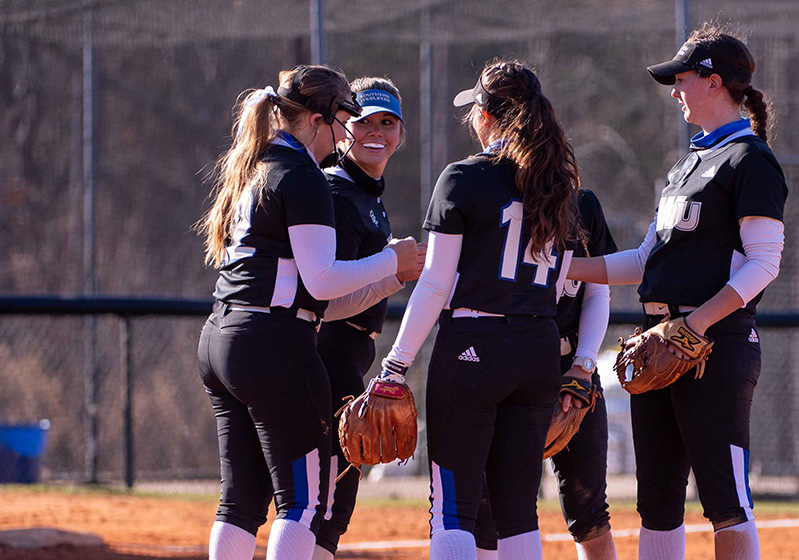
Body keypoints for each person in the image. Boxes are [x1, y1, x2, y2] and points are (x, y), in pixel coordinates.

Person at [569, 24, 787, 560]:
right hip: (659, 340)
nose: (674, 91)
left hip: (712, 345)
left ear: (714, 82)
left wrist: (695, 325)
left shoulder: (750, 160)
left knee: (726, 500)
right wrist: (563, 268)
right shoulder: (686, 165)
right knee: (658, 502)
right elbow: (644, 261)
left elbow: (763, 264)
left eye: (682, 79)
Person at [195, 64, 421, 560]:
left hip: (222, 333)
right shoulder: (307, 176)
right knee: (306, 502)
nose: (350, 133)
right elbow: (320, 284)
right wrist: (393, 263)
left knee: (240, 500)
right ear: (319, 119)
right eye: (347, 120)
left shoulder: (256, 162)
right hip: (273, 341)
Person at [376, 59, 580, 560]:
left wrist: (396, 364)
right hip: (537, 347)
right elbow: (560, 285)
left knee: (453, 511)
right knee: (518, 515)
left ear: (485, 116)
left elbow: (436, 281)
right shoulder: (560, 183)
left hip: (474, 345)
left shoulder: (464, 177)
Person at [473, 187, 620, 560]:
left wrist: (584, 366)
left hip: (573, 364)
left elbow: (598, 292)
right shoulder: (496, 199)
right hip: (514, 366)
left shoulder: (582, 204)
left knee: (588, 506)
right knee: (494, 504)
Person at [313, 76, 417, 560]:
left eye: (387, 122)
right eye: (364, 121)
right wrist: (395, 272)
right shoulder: (338, 193)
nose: (376, 132)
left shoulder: (367, 195)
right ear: (344, 128)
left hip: (348, 355)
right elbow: (324, 300)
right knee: (326, 499)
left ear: (401, 131)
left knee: (329, 496)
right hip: (327, 352)